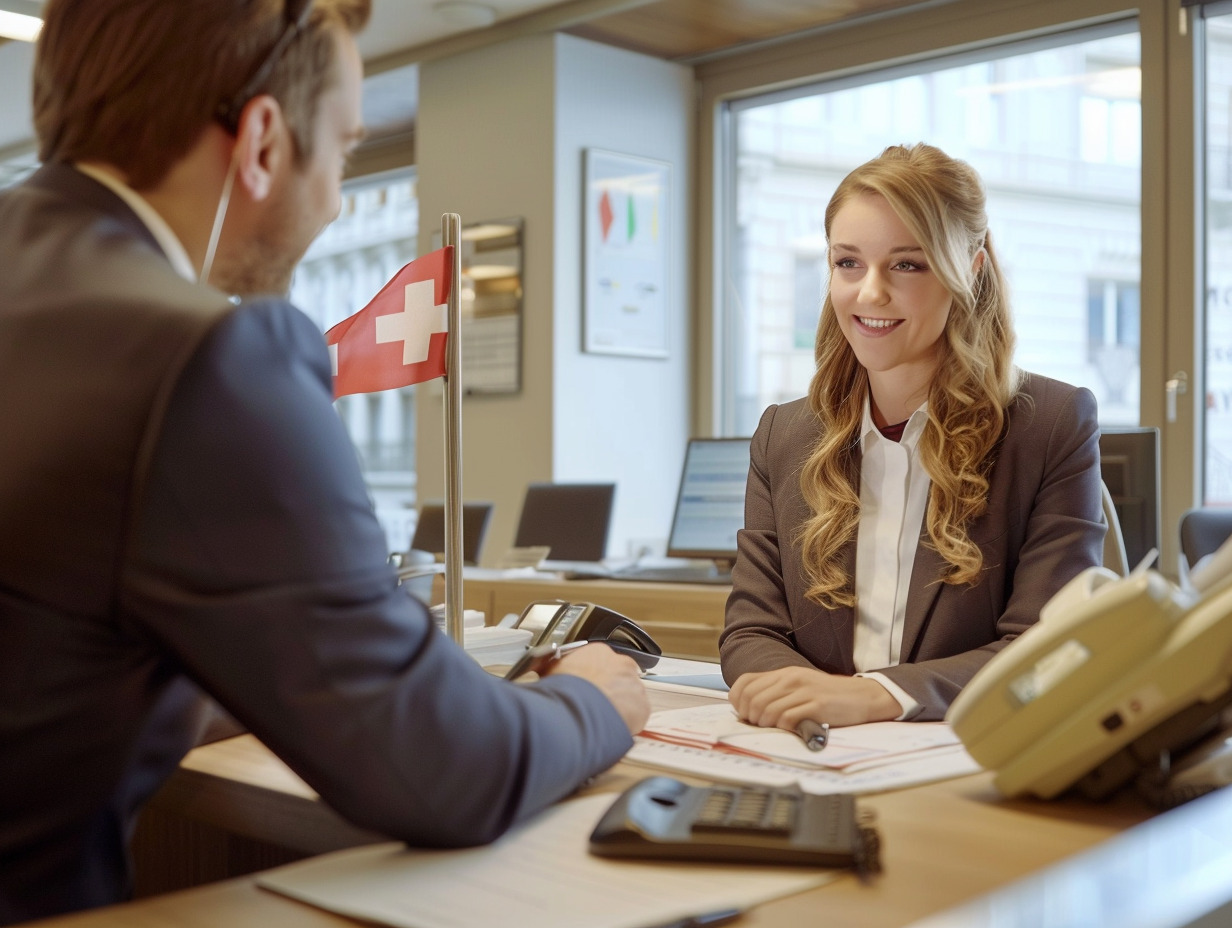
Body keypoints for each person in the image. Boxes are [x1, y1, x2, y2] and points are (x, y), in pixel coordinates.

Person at [0, 1, 649, 923]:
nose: (339, 195)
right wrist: (593, 701)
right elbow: (441, 769)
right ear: (263, 141)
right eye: (344, 150)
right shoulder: (206, 359)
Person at [719, 143, 1104, 732]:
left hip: (965, 760)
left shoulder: (1051, 424)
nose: (869, 293)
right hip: (813, 753)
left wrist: (876, 696)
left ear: (970, 269)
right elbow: (752, 631)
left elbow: (1047, 645)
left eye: (907, 264)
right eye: (847, 263)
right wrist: (793, 697)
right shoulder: (784, 434)